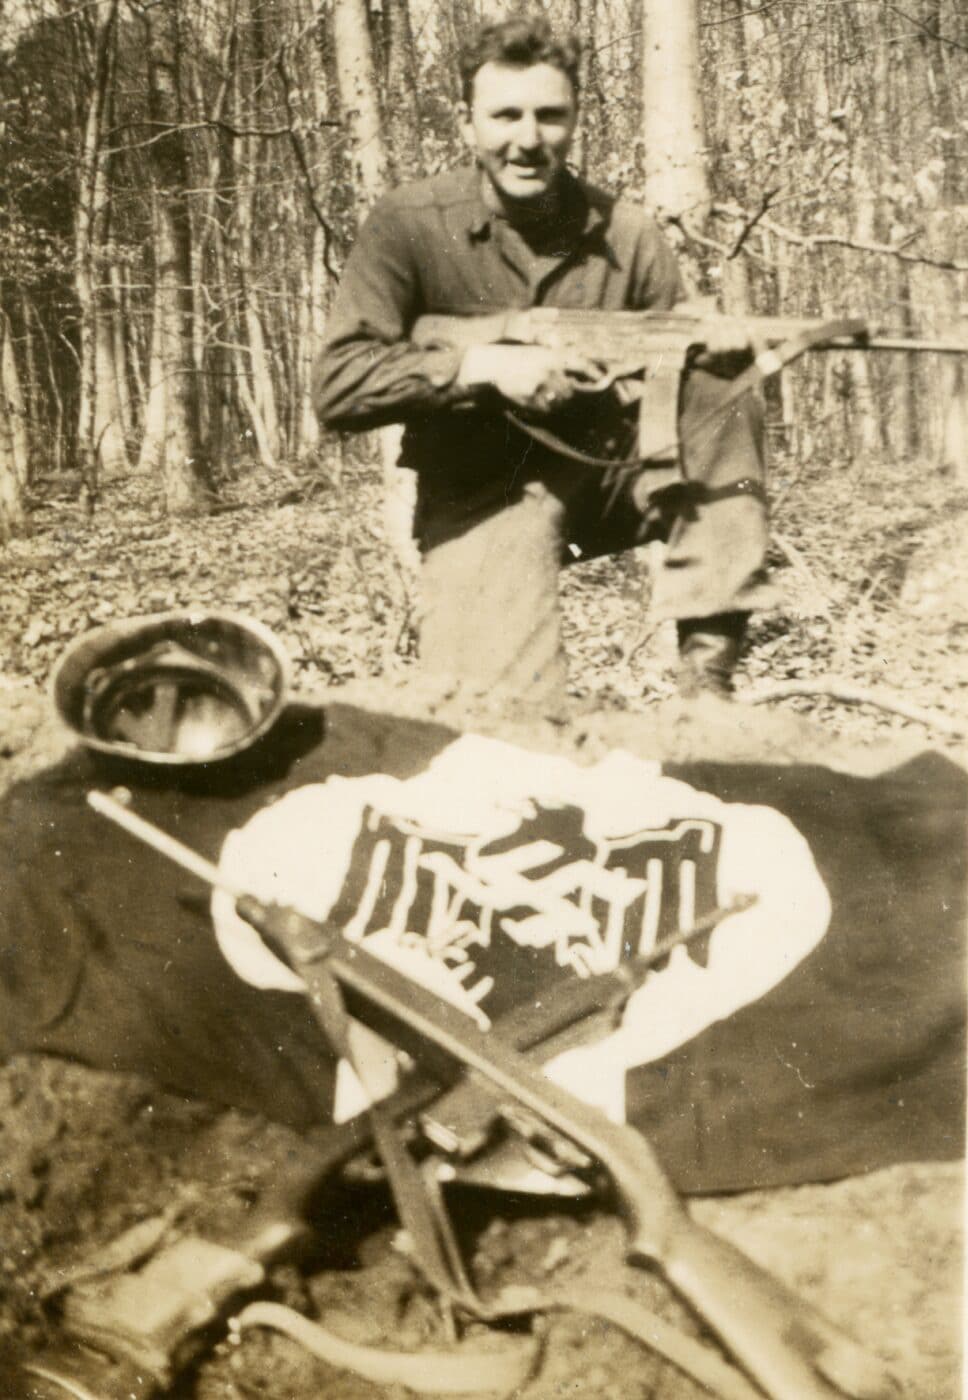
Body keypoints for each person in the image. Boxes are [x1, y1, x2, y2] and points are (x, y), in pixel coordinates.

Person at [314, 13, 776, 704]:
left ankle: (706, 683)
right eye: (505, 115)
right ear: (468, 122)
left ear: (575, 120)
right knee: (504, 732)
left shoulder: (628, 232)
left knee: (721, 380)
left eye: (549, 117)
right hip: (483, 493)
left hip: (610, 473)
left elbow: (679, 382)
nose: (527, 140)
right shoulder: (408, 225)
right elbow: (339, 385)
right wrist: (480, 368)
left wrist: (711, 347)